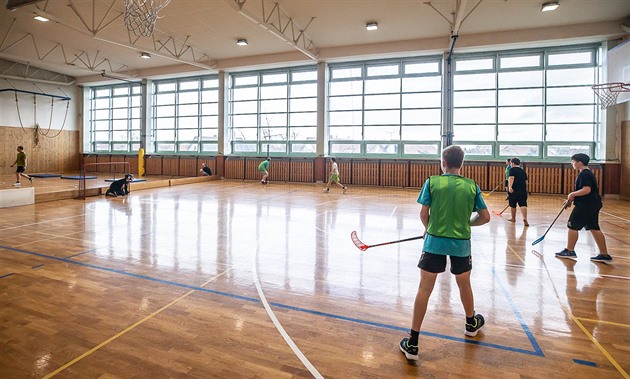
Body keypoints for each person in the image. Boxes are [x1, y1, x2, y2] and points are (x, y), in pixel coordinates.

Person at [399, 145, 490, 361]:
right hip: (461, 244)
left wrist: (429, 228)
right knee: (464, 283)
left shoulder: (432, 182)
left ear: (443, 162)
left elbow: (424, 213)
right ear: (462, 163)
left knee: (424, 288)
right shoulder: (471, 185)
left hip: (434, 243)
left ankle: (412, 343)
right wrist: (465, 223)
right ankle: (471, 323)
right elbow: (485, 217)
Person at [555, 153, 612, 263]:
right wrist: (571, 200)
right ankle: (604, 254)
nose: (572, 164)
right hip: (593, 204)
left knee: (572, 226)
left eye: (573, 162)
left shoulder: (584, 175)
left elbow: (587, 190)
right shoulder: (588, 173)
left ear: (579, 163)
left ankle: (570, 250)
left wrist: (571, 195)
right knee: (594, 228)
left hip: (586, 205)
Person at [507, 157, 528, 226]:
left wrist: (510, 187)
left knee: (513, 205)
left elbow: (511, 178)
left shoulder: (512, 170)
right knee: (523, 204)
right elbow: (526, 181)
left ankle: (513, 218)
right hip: (522, 190)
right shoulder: (523, 171)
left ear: (512, 163)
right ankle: (525, 218)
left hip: (514, 190)